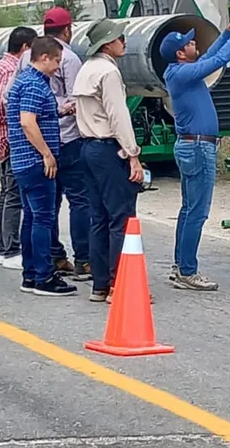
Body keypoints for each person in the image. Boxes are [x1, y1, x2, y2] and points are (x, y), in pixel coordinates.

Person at [163, 11, 230, 291]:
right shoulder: (182, 74)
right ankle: (188, 270)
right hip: (198, 146)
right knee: (197, 211)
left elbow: (208, 58)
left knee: (189, 209)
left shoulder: (182, 72)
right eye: (189, 43)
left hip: (196, 145)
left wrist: (227, 32)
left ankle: (182, 265)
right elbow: (218, 61)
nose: (194, 44)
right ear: (180, 53)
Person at [73, 20, 144, 302]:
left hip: (87, 147)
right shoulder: (109, 72)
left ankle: (100, 284)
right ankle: (120, 283)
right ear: (107, 44)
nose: (124, 42)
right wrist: (133, 154)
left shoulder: (86, 69)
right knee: (121, 217)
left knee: (98, 217)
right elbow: (119, 116)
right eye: (120, 38)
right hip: (108, 148)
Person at [23, 6, 90, 279]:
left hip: (39, 141)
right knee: (79, 200)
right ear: (67, 29)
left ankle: (53, 256)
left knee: (47, 204)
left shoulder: (29, 57)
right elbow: (77, 98)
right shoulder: (70, 58)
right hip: (66, 139)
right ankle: (84, 259)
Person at [7, 37, 76, 297]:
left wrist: (59, 112)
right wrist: (47, 154)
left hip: (23, 161)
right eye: (57, 60)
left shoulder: (24, 80)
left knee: (32, 217)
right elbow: (27, 122)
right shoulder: (35, 84)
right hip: (36, 162)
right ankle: (44, 276)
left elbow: (33, 114)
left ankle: (30, 274)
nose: (58, 67)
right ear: (44, 57)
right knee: (44, 219)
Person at [0, 27, 37, 271]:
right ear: (26, 48)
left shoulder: (1, 66)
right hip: (10, 141)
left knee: (6, 195)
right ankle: (10, 249)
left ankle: (3, 247)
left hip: (2, 140)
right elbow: (2, 103)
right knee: (14, 197)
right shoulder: (11, 69)